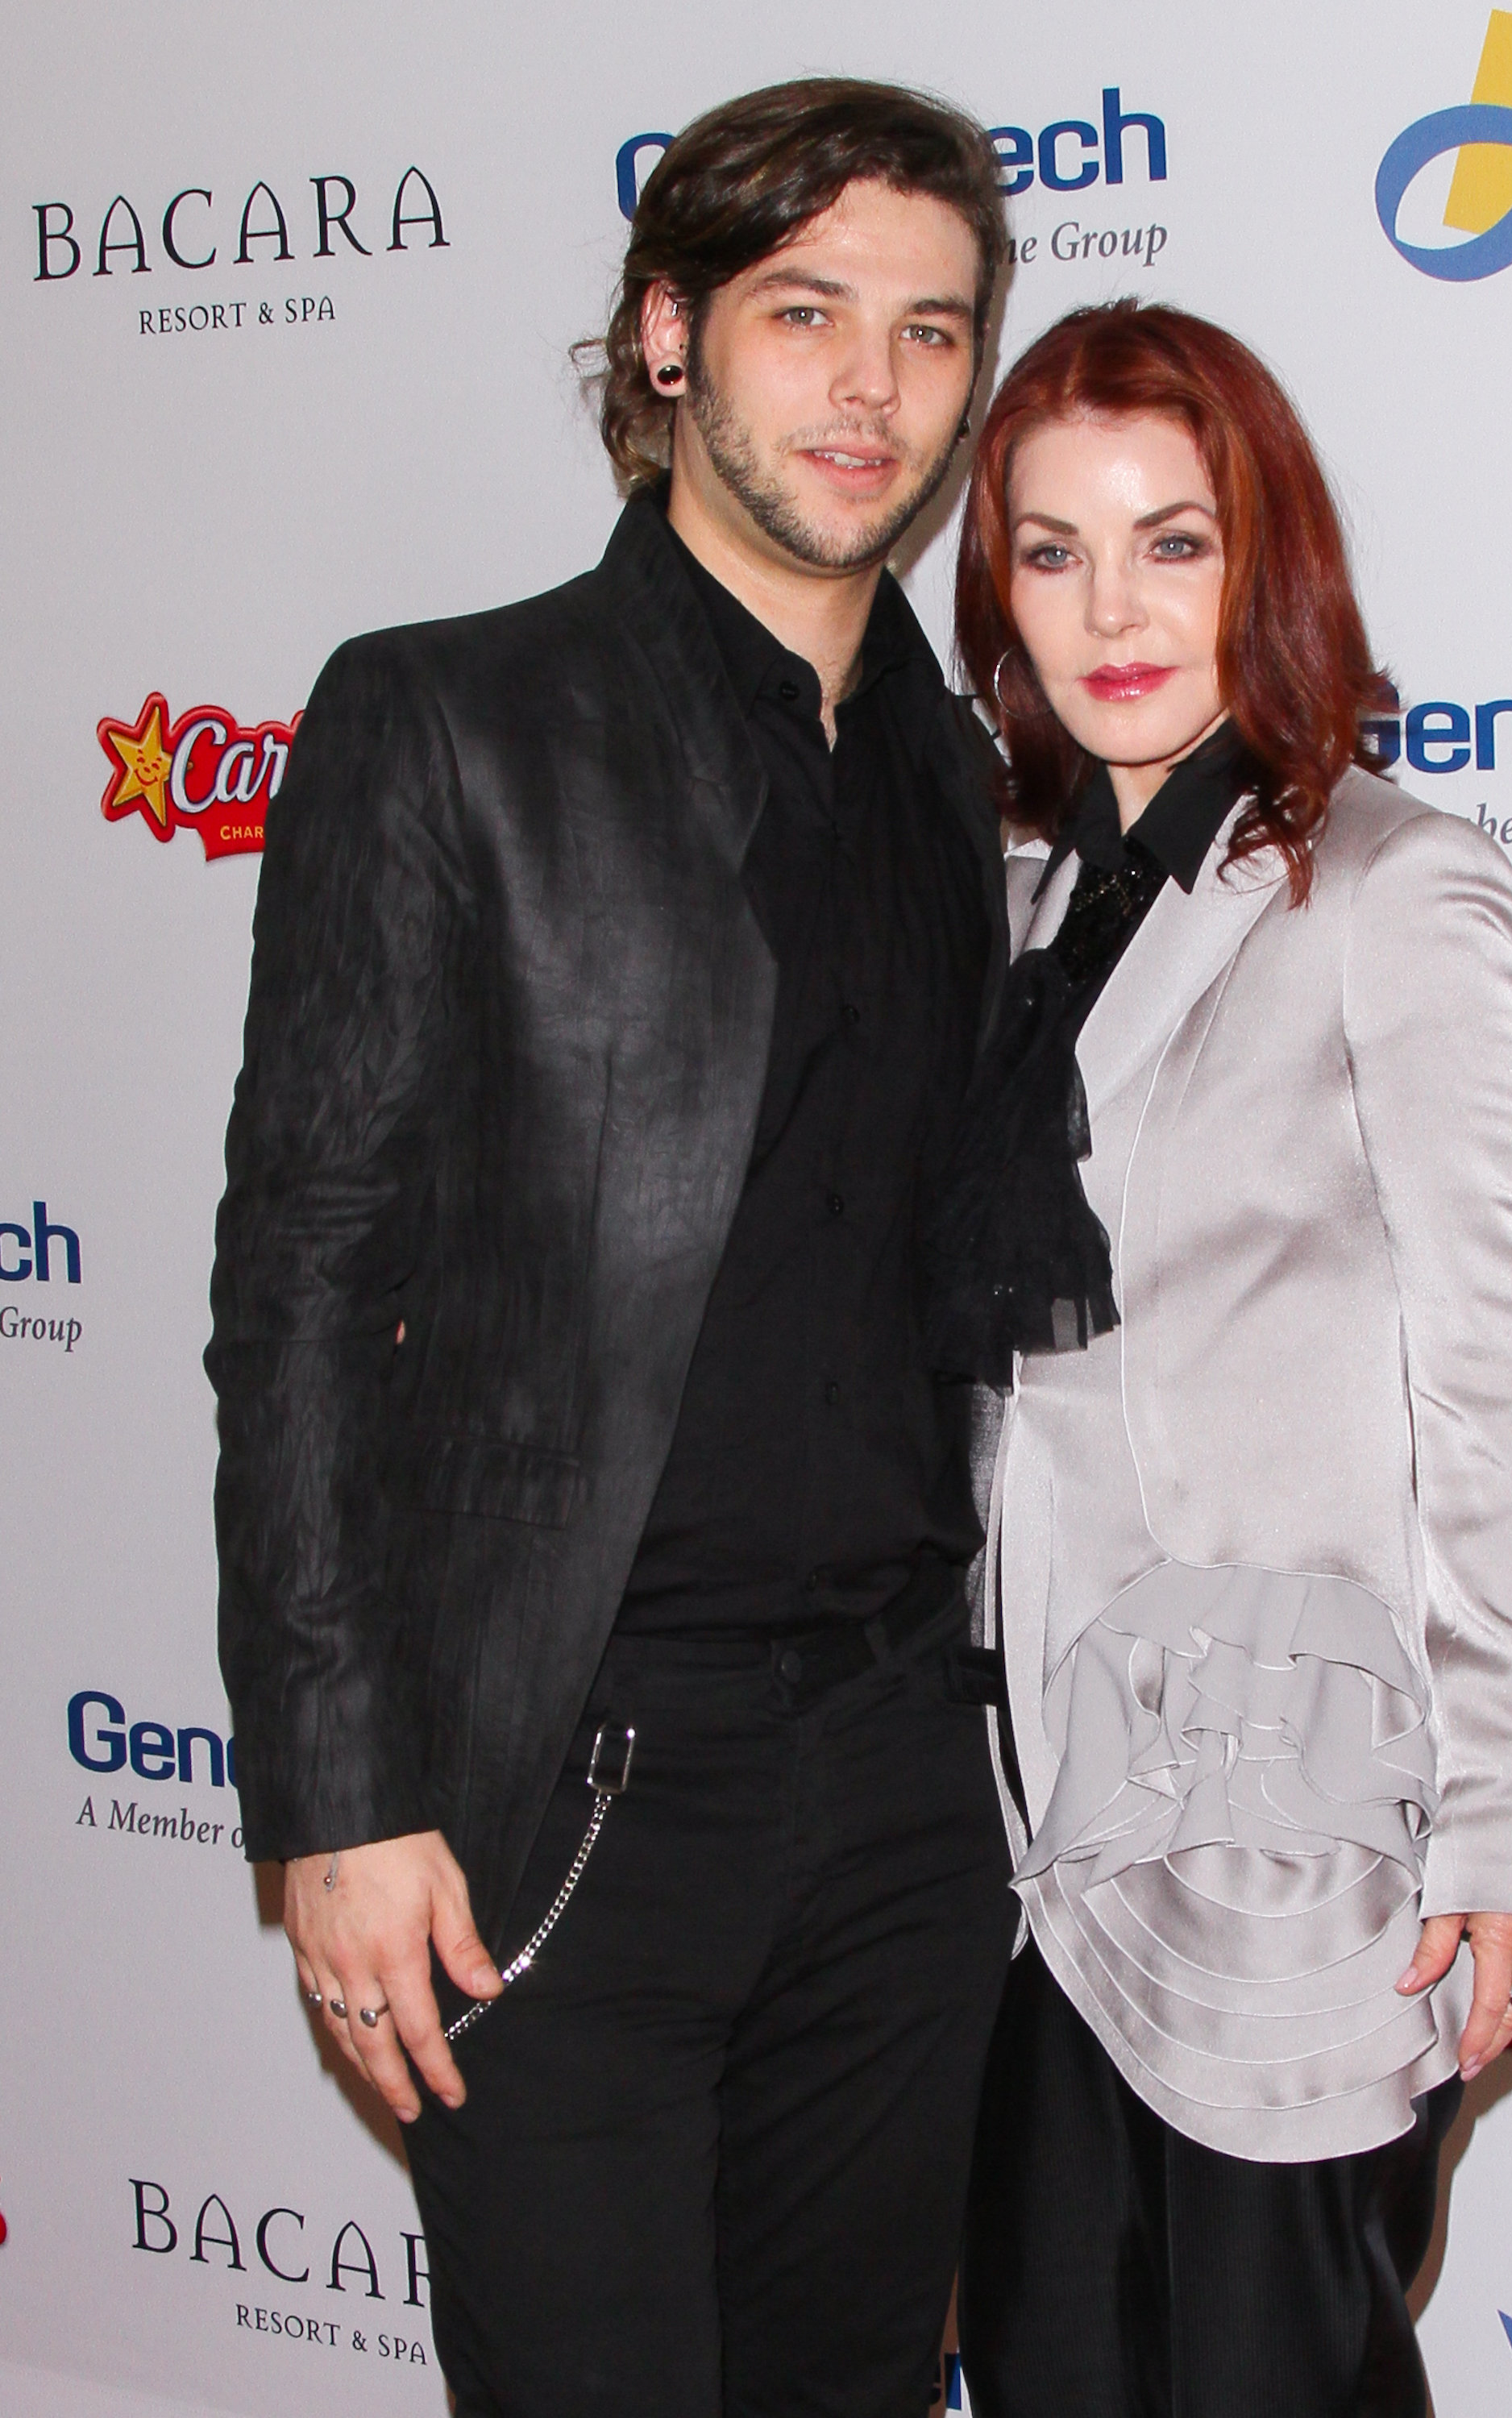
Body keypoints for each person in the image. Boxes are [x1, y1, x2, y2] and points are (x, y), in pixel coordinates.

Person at [206, 80, 1020, 2418]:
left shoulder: (961, 783)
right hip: (561, 1794)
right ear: (667, 337)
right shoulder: (444, 721)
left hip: (896, 1785)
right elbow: (298, 1295)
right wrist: (335, 1798)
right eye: (804, 314)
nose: (870, 389)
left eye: (929, 332)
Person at [925, 302, 1512, 2417]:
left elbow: (1493, 1384)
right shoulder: (1013, 915)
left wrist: (1508, 1826)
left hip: (1293, 1844)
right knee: (1042, 2373)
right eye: (1049, 552)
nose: (1109, 610)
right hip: (1021, 1851)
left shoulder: (1390, 889)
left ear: (1266, 559)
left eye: (1169, 542)